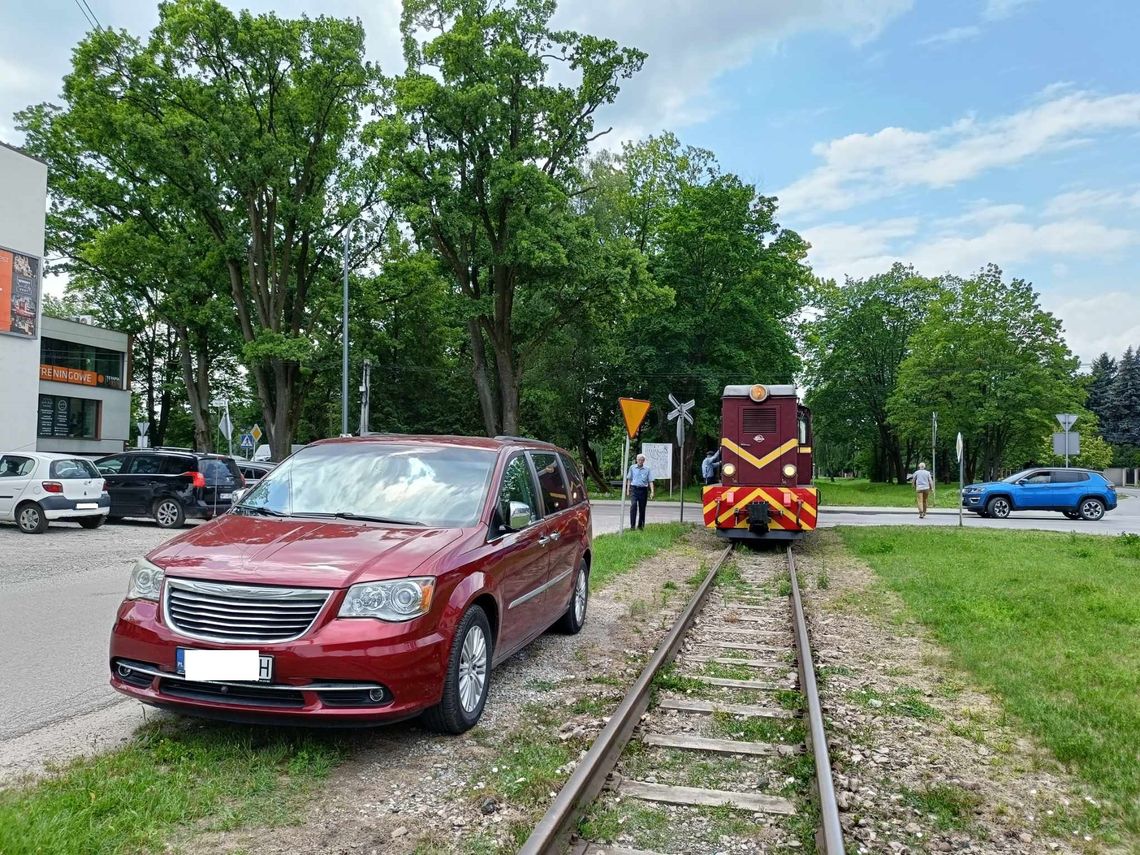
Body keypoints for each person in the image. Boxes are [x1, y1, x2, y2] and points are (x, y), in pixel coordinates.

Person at [625, 453, 654, 530]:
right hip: (634, 489)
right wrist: (627, 490)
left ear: (644, 461)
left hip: (643, 490)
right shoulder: (632, 467)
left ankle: (640, 526)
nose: (640, 461)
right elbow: (629, 479)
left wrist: (652, 491)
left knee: (642, 508)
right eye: (639, 460)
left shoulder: (647, 469)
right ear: (636, 460)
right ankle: (632, 526)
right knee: (633, 506)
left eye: (642, 460)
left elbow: (650, 481)